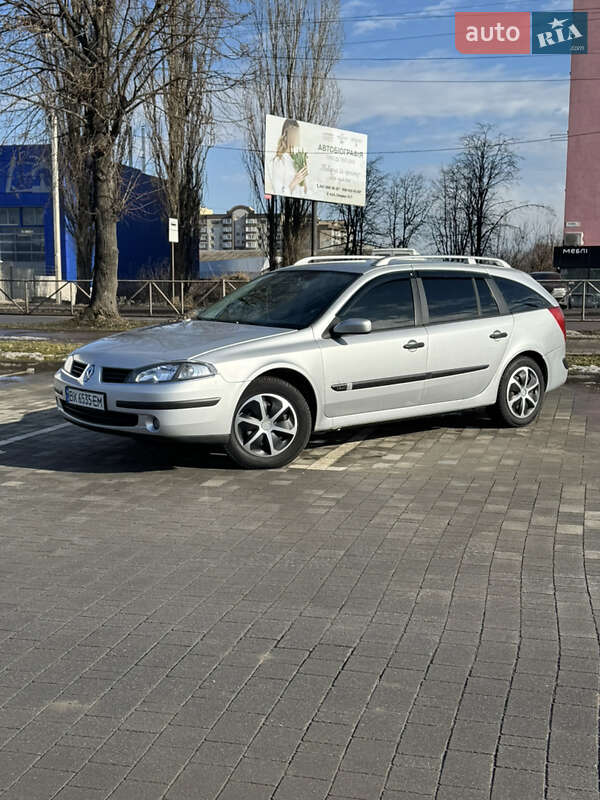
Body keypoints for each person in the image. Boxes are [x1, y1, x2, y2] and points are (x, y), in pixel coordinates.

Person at [268, 118, 308, 198]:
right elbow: (278, 191)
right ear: (286, 136)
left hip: (300, 206)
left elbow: (304, 192)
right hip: (287, 205)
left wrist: (305, 184)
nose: (297, 137)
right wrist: (295, 181)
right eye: (294, 133)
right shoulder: (280, 160)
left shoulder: (297, 159)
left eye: (298, 133)